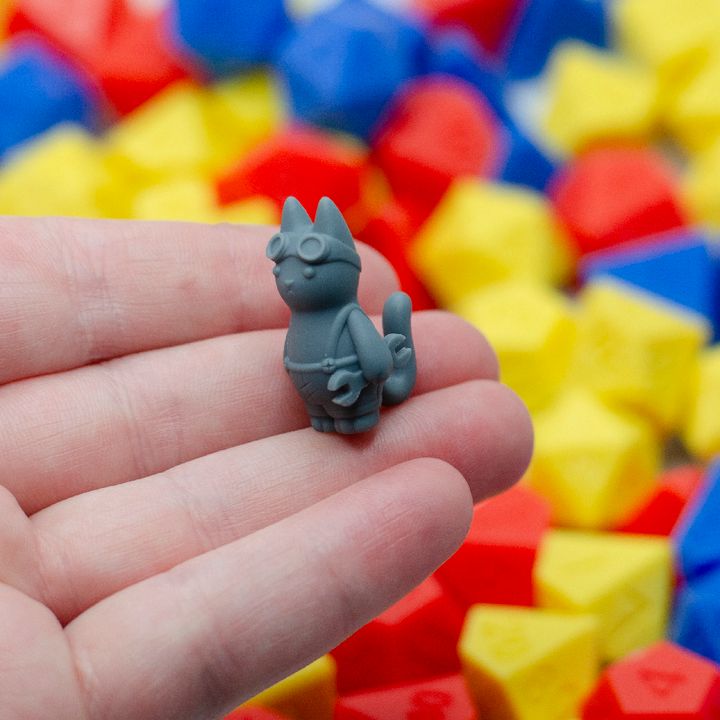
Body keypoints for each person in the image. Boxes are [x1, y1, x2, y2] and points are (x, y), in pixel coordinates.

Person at [0, 217, 533, 720]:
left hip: (355, 402)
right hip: (320, 407)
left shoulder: (347, 316)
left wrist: (370, 370)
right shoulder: (304, 320)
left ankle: (347, 416)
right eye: (285, 270)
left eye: (308, 269)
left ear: (341, 271)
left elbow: (374, 364)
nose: (292, 281)